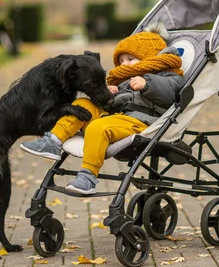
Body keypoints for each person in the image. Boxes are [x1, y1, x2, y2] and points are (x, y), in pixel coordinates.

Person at [20, 24, 185, 194]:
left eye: (130, 59)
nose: (124, 65)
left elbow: (170, 93)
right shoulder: (124, 79)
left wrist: (147, 84)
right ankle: (52, 141)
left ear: (149, 56)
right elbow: (114, 104)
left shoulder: (168, 74)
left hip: (140, 122)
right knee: (82, 104)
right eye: (121, 61)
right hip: (117, 117)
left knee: (97, 127)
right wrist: (111, 95)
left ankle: (88, 177)